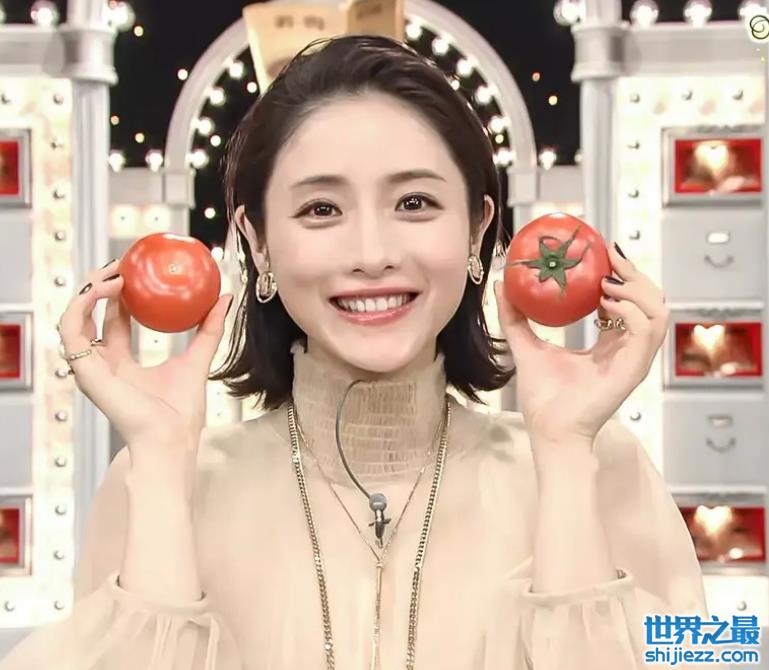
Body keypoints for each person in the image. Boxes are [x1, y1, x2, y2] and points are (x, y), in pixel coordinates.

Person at [0, 35, 713, 670]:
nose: (372, 254)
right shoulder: (158, 481)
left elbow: (700, 653)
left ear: (477, 230)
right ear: (257, 242)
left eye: (414, 203)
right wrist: (159, 465)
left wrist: (564, 456)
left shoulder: (600, 465)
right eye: (321, 210)